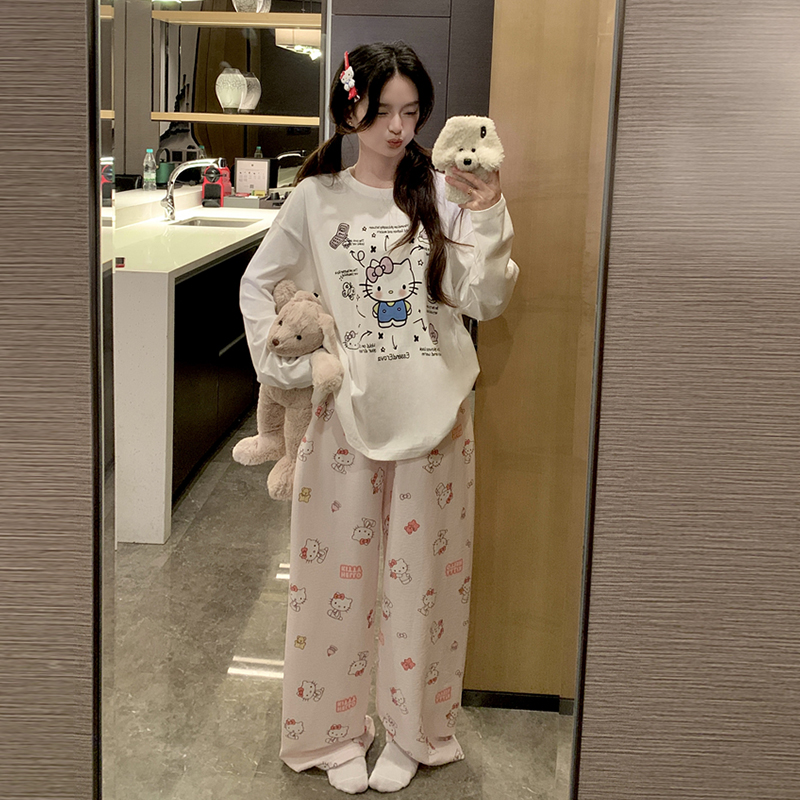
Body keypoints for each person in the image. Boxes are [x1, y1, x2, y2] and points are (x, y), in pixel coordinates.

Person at [240, 42, 518, 794]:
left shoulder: (445, 192)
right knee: (331, 582)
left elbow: (486, 300)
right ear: (350, 112)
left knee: (423, 585)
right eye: (382, 112)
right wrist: (292, 371)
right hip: (342, 419)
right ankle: (328, 729)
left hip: (436, 418)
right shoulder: (316, 198)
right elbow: (259, 286)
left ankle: (415, 730)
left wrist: (488, 216)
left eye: (411, 112)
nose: (398, 128)